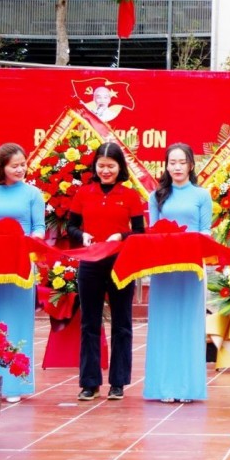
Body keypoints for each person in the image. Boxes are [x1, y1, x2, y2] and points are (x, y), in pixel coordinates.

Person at [67, 142, 145, 401]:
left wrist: (120, 235)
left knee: (122, 323)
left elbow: (139, 232)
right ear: (95, 166)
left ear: (120, 167)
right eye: (101, 166)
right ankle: (89, 382)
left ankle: (118, 382)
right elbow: (71, 227)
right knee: (90, 322)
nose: (106, 171)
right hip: (90, 263)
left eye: (111, 166)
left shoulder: (130, 195)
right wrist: (83, 235)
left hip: (121, 263)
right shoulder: (84, 193)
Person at [0, 142, 46, 402]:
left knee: (17, 320)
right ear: (0, 167)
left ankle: (15, 383)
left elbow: (39, 227)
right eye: (15, 166)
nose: (21, 169)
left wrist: (31, 241)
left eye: (23, 164)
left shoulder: (33, 194)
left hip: (19, 263)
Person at [146, 143, 212, 403]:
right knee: (164, 324)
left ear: (191, 165)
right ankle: (164, 386)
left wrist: (186, 242)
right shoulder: (157, 195)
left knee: (189, 324)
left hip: (191, 267)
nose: (176, 167)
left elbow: (206, 231)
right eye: (171, 162)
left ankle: (187, 387)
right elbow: (152, 230)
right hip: (164, 268)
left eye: (181, 162)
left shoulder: (201, 195)